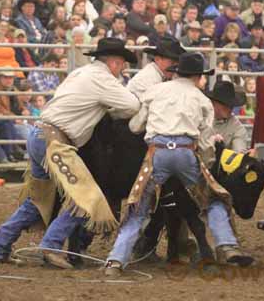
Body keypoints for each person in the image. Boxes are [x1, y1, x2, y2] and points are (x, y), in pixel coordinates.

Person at [0, 38, 140, 268]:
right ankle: (51, 246)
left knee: (39, 200)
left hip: (39, 134)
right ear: (114, 62)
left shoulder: (80, 73)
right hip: (56, 143)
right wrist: (108, 108)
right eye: (122, 64)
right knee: (86, 197)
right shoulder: (103, 79)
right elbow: (132, 106)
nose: (123, 69)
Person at [104, 52, 252, 276]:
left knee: (138, 206)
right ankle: (227, 245)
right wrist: (206, 164)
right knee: (214, 198)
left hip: (157, 153)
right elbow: (205, 141)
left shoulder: (155, 91)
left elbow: (135, 127)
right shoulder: (201, 99)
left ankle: (115, 260)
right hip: (186, 152)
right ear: (197, 76)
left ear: (177, 72)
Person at [207, 81, 248, 153]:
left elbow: (238, 153)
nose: (229, 108)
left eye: (231, 104)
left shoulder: (237, 128)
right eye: (224, 104)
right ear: (213, 102)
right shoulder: (201, 118)